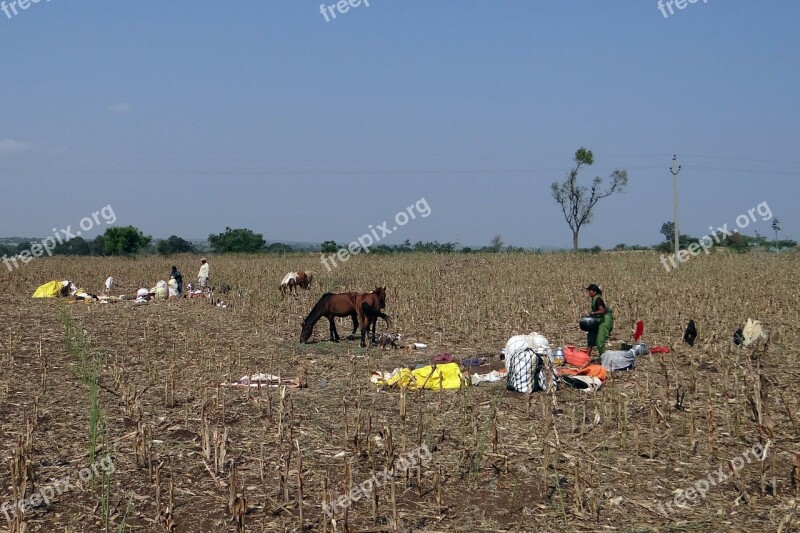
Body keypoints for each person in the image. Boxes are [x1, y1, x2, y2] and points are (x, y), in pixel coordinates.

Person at [585, 283, 613, 358]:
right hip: (598, 320)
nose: (588, 293)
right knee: (591, 337)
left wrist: (592, 313)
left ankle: (606, 360)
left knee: (600, 342)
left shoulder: (598, 299)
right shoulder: (594, 299)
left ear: (594, 292)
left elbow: (602, 311)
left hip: (604, 321)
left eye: (589, 291)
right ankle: (586, 358)